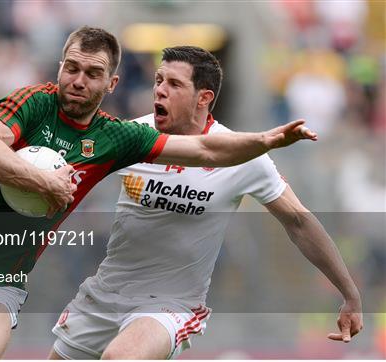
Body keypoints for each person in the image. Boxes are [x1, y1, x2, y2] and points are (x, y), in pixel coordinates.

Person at [0, 28, 316, 359]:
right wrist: (43, 181)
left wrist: (267, 140)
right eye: (71, 68)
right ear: (60, 67)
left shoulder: (116, 138)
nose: (77, 80)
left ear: (110, 84)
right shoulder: (34, 102)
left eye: (92, 73)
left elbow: (203, 147)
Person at [49, 46, 362, 360]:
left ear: (204, 97)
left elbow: (299, 222)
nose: (159, 90)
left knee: (120, 358)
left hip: (170, 305)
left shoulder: (242, 156)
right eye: (158, 80)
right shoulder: (131, 136)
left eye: (174, 84)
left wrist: (349, 293)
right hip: (104, 295)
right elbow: (64, 177)